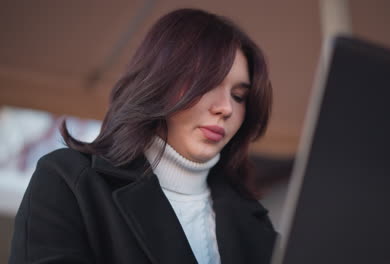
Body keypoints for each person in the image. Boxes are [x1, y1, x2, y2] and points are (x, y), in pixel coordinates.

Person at [9, 8, 277, 264]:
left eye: (239, 96)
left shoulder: (257, 225)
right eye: (207, 84)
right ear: (159, 81)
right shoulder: (70, 181)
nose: (226, 108)